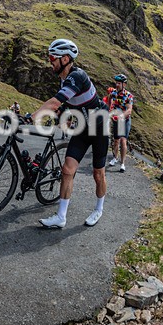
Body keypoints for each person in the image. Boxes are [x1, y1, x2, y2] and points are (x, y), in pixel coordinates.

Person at [34, 39, 109, 229]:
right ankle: (61, 217)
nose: (50, 61)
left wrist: (34, 116)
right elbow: (69, 102)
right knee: (68, 170)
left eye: (53, 57)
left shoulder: (77, 76)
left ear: (65, 59)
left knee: (98, 174)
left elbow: (56, 102)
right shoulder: (64, 79)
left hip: (99, 128)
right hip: (83, 127)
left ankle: (99, 209)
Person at [107, 73, 134, 173]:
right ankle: (115, 157)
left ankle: (122, 163)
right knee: (116, 140)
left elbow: (129, 110)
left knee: (123, 140)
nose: (117, 85)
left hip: (125, 120)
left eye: (119, 83)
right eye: (116, 83)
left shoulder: (128, 96)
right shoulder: (113, 93)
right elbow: (110, 98)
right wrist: (110, 108)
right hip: (116, 120)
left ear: (124, 85)